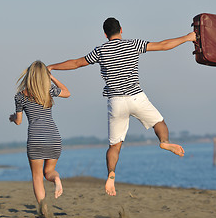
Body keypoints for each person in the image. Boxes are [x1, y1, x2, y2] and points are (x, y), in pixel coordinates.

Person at [47, 17, 196, 196]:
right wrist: (187, 37)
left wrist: (52, 67)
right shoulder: (133, 44)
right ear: (121, 30)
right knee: (159, 123)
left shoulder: (100, 50)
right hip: (136, 97)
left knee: (114, 146)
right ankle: (164, 142)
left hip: (116, 101)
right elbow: (163, 45)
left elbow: (77, 63)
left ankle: (111, 174)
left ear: (105, 34)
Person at [9, 60, 70, 218]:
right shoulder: (49, 90)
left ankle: (44, 211)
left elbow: (19, 120)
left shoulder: (20, 96)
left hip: (36, 138)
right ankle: (56, 179)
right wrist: (52, 78)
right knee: (49, 172)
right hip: (53, 136)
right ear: (44, 76)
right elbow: (67, 92)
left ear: (29, 76)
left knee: (37, 177)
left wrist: (12, 117)